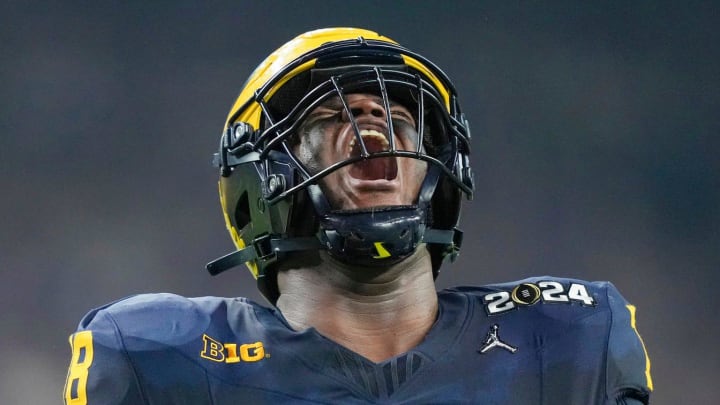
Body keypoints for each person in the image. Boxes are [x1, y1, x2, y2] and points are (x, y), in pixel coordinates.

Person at [64, 27, 653, 404]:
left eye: (398, 115)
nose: (373, 118)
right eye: (328, 118)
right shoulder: (156, 359)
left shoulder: (566, 340)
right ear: (260, 182)